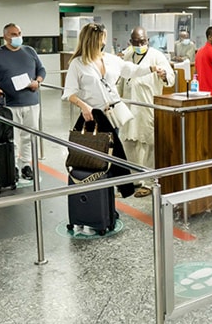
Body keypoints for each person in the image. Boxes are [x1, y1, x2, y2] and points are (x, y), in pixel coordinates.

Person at [62, 23, 161, 198]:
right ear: (94, 39)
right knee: (103, 158)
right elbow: (69, 93)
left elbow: (131, 70)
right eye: (103, 37)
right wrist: (83, 105)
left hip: (113, 115)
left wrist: (152, 68)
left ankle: (110, 196)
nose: (104, 41)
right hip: (94, 117)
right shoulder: (77, 64)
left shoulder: (110, 59)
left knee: (112, 155)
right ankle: (102, 194)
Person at [0, 23, 45, 181]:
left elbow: (41, 70)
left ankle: (26, 165)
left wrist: (37, 81)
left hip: (31, 101)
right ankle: (13, 167)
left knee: (29, 136)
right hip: (10, 104)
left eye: (19, 33)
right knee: (13, 138)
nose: (17, 36)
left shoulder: (29, 51)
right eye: (13, 34)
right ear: (5, 37)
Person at [119, 27, 174, 197]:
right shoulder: (128, 55)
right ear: (131, 42)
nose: (140, 44)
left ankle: (150, 182)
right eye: (136, 42)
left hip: (148, 105)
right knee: (129, 142)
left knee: (150, 144)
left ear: (147, 40)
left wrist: (164, 74)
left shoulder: (157, 55)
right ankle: (135, 179)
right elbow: (121, 79)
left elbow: (170, 79)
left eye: (142, 41)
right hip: (129, 105)